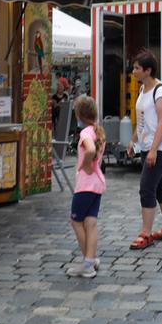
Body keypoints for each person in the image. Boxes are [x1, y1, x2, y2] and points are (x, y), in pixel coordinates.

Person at [129, 52, 162, 249]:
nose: (133, 71)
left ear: (148, 71)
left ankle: (146, 233)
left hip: (161, 146)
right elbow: (142, 120)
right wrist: (133, 141)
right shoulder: (142, 89)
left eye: (137, 68)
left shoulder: (160, 91)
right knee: (159, 187)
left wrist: (153, 150)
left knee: (147, 188)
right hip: (147, 145)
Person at [66, 95, 105, 277]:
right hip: (97, 183)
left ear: (79, 115)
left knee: (76, 221)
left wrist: (85, 164)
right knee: (91, 223)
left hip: (85, 185)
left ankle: (88, 262)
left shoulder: (85, 133)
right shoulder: (99, 131)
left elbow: (89, 150)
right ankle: (91, 258)